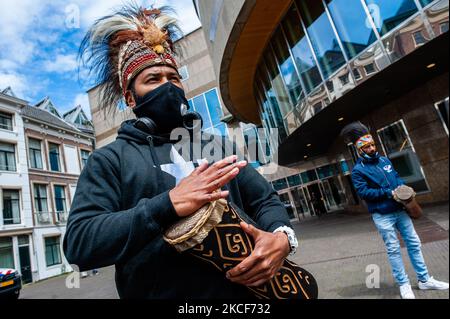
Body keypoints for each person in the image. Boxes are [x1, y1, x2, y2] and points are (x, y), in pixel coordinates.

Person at [63, 4, 298, 299]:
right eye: (153, 80)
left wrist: (281, 237)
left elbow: (265, 200)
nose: (168, 86)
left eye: (173, 78)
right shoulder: (109, 160)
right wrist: (168, 204)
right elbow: (81, 243)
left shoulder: (218, 146)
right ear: (129, 97)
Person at [341, 122, 449, 299]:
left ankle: (424, 280)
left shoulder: (384, 160)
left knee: (414, 243)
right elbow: (364, 193)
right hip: (382, 215)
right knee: (393, 249)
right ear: (359, 149)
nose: (371, 148)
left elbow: (396, 178)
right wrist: (389, 192)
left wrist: (402, 189)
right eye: (366, 146)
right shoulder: (358, 171)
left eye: (372, 144)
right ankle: (404, 285)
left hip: (400, 210)